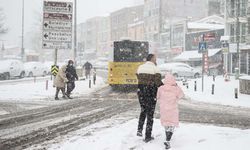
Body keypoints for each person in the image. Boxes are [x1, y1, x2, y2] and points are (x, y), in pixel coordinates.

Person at [136, 54, 163, 143]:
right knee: (150, 114)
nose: (156, 60)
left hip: (141, 92)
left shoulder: (140, 67)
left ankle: (139, 130)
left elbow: (138, 77)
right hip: (151, 93)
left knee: (143, 110)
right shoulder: (155, 69)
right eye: (155, 58)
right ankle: (147, 136)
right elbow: (158, 83)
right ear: (151, 59)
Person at [157, 73, 184, 149]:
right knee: (172, 124)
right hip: (173, 110)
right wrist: (176, 86)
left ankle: (167, 137)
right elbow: (181, 95)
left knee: (166, 124)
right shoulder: (176, 88)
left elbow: (157, 97)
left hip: (164, 110)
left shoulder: (161, 88)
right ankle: (168, 139)